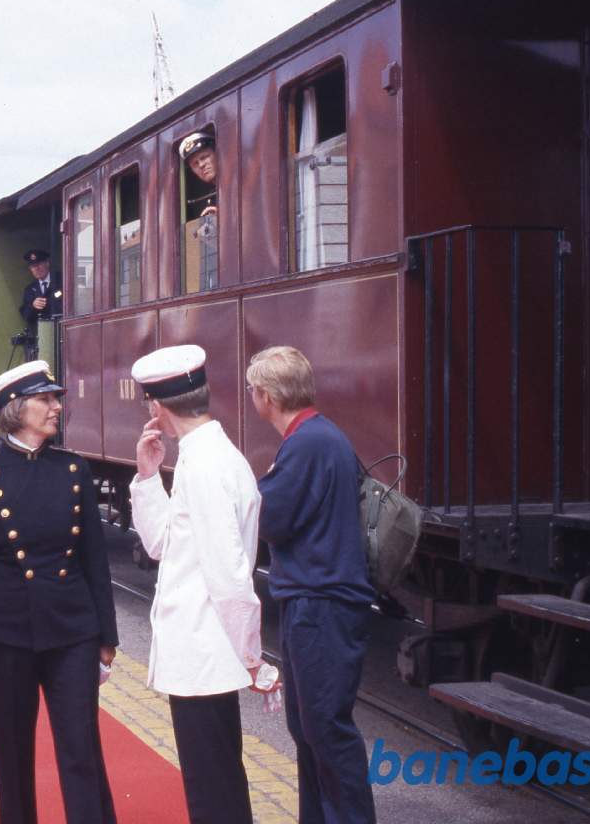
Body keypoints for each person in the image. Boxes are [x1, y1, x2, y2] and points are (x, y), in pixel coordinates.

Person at [0, 360, 119, 824]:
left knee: (81, 750)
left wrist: (106, 636)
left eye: (56, 398)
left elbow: (93, 558)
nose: (56, 406)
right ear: (14, 408)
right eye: (45, 399)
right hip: (6, 636)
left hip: (72, 631)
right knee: (11, 756)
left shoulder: (73, 468)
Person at [129, 345, 275, 824]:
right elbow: (163, 544)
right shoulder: (204, 455)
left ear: (157, 406)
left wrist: (251, 656)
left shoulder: (208, 465)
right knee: (216, 779)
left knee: (213, 788)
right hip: (201, 652)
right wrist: (148, 477)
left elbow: (229, 574)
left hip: (206, 650)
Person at [246, 346, 377, 824]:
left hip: (321, 603)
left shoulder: (306, 443)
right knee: (309, 727)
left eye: (252, 391)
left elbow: (271, 516)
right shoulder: (319, 435)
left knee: (325, 729)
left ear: (265, 395)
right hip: (319, 599)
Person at [18, 249, 62, 328]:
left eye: (39, 264)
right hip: (42, 334)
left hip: (61, 330)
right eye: (33, 266)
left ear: (47, 263)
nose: (36, 269)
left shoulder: (61, 280)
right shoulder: (30, 289)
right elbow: (26, 316)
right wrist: (33, 306)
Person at [179, 131, 219, 219]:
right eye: (195, 164)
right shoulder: (211, 198)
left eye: (204, 157)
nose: (201, 165)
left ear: (217, 153)